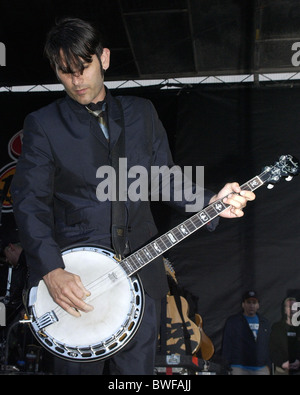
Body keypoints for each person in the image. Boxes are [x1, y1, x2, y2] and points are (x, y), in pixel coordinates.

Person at [10, 17, 255, 375]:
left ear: (104, 58)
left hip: (142, 275)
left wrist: (210, 201)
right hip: (78, 283)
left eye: (83, 67)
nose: (76, 80)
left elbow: (163, 178)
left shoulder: (141, 113)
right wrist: (51, 270)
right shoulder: (44, 124)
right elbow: (29, 202)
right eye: (64, 71)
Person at [222, 290, 271, 375]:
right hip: (239, 367)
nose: (251, 305)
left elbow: (269, 345)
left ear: (258, 305)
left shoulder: (264, 322)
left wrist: (268, 365)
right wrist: (226, 365)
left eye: (254, 302)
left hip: (261, 368)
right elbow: (227, 345)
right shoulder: (233, 321)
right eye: (248, 302)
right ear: (243, 304)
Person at [269, 297, 300, 375]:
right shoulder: (277, 328)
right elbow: (272, 349)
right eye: (289, 307)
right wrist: (282, 363)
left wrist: (299, 361)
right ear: (285, 310)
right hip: (281, 371)